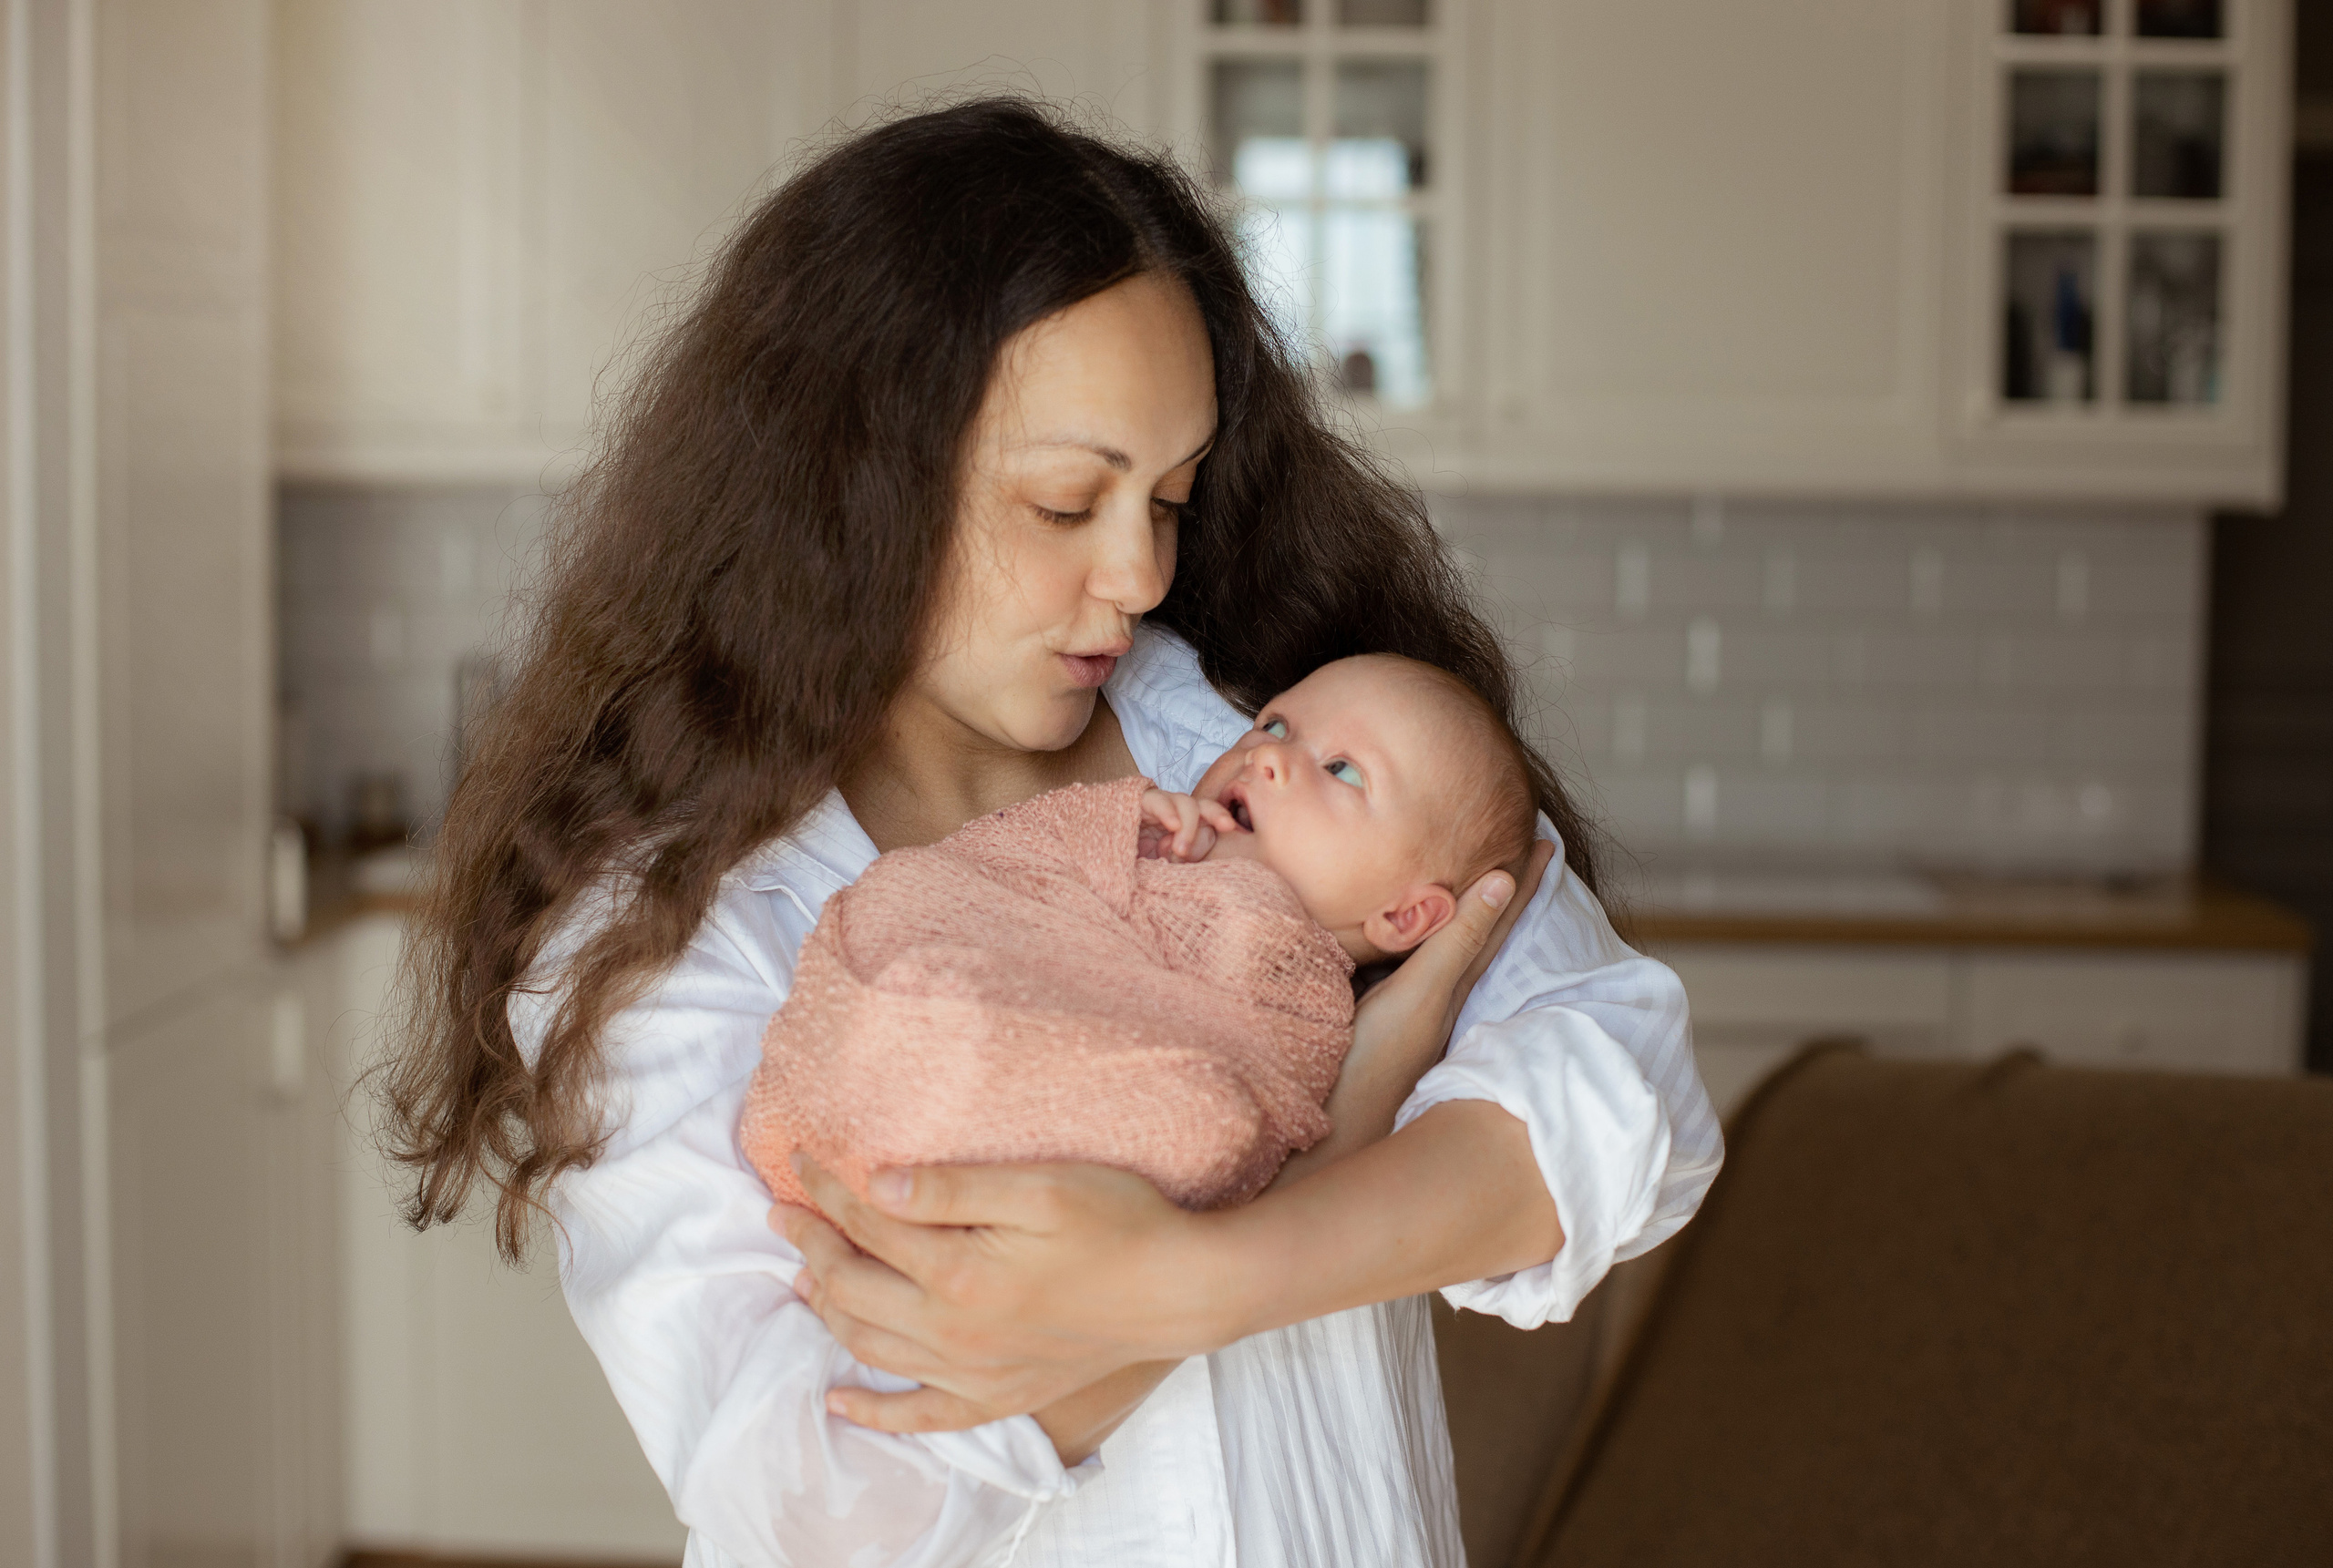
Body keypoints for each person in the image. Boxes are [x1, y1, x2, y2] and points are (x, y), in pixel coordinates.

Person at [383, 98, 1720, 1568]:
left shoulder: (1255, 738)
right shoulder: (674, 924)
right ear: (855, 491)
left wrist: (1207, 1277)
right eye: (1066, 501)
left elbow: (1631, 1104)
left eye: (1170, 496)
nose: (1139, 572)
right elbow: (807, 1494)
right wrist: (1337, 1134)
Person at [747, 652, 1545, 1225]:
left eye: (1341, 772)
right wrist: (1122, 817)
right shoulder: (1153, 828)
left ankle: (937, 1092)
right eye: (1275, 723)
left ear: (1405, 919)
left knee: (1209, 1124)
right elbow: (1003, 865)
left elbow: (1267, 1088)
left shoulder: (1311, 997)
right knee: (905, 890)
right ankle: (902, 1064)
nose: (1266, 755)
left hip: (1047, 1081)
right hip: (947, 996)